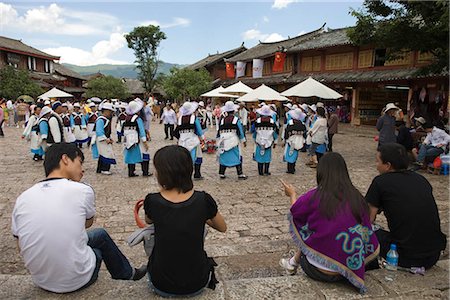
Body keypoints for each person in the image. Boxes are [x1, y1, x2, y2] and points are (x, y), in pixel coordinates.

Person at [11, 143, 146, 294]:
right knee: (99, 240)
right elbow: (87, 223)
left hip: (40, 280)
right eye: (80, 162)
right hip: (76, 280)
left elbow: (20, 244)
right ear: (65, 159)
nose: (82, 170)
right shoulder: (82, 190)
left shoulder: (23, 198)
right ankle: (127, 274)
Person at [279, 152, 379, 294]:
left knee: (310, 232)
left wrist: (292, 194)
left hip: (317, 270)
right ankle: (291, 263)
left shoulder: (315, 195)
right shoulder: (356, 197)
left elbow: (296, 211)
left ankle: (292, 263)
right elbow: (366, 229)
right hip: (348, 270)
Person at [144, 145, 226, 297]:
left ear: (163, 173)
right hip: (197, 283)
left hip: (161, 284)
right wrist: (203, 214)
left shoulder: (152, 200)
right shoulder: (203, 200)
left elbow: (148, 221)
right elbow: (222, 227)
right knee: (201, 229)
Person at [365, 143, 447, 269]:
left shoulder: (380, 182)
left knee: (363, 231)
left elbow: (368, 219)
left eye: (378, 162)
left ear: (387, 166)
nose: (376, 166)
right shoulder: (421, 180)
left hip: (404, 256)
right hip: (433, 255)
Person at [174, 101, 205, 180]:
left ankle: (185, 174)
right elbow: (199, 129)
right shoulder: (194, 118)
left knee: (183, 158)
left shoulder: (180, 118)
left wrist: (178, 139)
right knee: (198, 156)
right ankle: (197, 174)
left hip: (182, 140)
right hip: (192, 139)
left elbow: (176, 131)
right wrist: (202, 138)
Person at [217, 101, 247, 179]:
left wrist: (218, 139)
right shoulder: (236, 120)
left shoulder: (222, 120)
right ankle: (240, 173)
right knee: (237, 155)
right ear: (233, 111)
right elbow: (240, 131)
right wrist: (243, 140)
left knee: (223, 155)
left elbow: (219, 130)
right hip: (233, 139)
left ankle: (222, 173)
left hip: (223, 139)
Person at [122, 100, 152, 177]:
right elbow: (142, 131)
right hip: (138, 141)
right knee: (144, 155)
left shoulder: (126, 118)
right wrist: (145, 142)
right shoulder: (138, 119)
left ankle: (131, 172)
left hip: (128, 141)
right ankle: (145, 172)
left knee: (131, 157)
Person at [251, 105, 278, 176]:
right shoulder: (272, 121)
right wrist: (275, 141)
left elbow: (254, 131)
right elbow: (275, 132)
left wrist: (254, 138)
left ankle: (260, 171)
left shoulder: (257, 121)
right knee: (267, 156)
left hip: (259, 140)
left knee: (260, 156)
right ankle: (266, 171)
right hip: (269, 141)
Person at [91, 103, 116, 175]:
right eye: (110, 111)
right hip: (101, 140)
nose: (111, 113)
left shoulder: (105, 119)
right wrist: (106, 139)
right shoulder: (101, 120)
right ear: (106, 111)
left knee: (103, 154)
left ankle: (100, 169)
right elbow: (99, 131)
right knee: (106, 153)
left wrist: (109, 138)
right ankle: (104, 169)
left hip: (105, 139)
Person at [283, 108, 306, 174]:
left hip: (291, 140)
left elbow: (287, 131)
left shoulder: (290, 123)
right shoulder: (302, 124)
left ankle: (290, 169)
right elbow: (304, 132)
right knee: (295, 154)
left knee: (290, 153)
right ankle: (293, 167)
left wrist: (285, 139)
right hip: (299, 141)